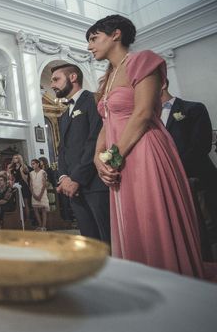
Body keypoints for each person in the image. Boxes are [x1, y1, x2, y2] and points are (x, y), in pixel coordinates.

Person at [87, 14, 205, 278]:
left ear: (116, 34)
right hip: (119, 156)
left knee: (152, 217)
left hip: (144, 150)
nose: (89, 46)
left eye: (94, 38)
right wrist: (98, 157)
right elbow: (107, 122)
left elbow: (141, 114)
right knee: (132, 221)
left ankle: (171, 282)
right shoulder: (107, 78)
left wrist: (113, 156)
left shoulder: (142, 61)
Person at [51, 63, 110, 244]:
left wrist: (76, 178)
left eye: (56, 79)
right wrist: (63, 177)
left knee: (107, 239)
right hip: (73, 188)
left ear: (73, 77)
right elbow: (62, 149)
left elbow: (94, 142)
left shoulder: (93, 100)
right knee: (89, 240)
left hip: (94, 183)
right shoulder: (64, 114)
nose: (52, 84)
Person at [161, 79, 217, 260]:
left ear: (161, 84)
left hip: (196, 178)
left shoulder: (193, 109)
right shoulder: (147, 117)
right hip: (168, 184)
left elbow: (201, 145)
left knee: (209, 227)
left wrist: (174, 169)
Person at [8, 154, 32, 223]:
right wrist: (9, 172)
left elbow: (26, 178)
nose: (14, 159)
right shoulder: (13, 168)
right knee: (18, 203)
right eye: (14, 158)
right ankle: (20, 219)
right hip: (16, 185)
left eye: (16, 158)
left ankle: (28, 220)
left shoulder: (23, 167)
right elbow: (12, 179)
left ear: (19, 159)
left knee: (25, 203)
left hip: (23, 186)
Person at [30, 159, 49, 231]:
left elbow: (44, 184)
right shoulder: (31, 173)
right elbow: (31, 184)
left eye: (34, 163)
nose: (33, 165)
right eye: (32, 164)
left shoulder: (43, 172)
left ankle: (44, 226)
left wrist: (40, 195)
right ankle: (40, 225)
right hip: (34, 192)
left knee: (43, 209)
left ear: (38, 164)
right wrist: (33, 193)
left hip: (42, 192)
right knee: (35, 209)